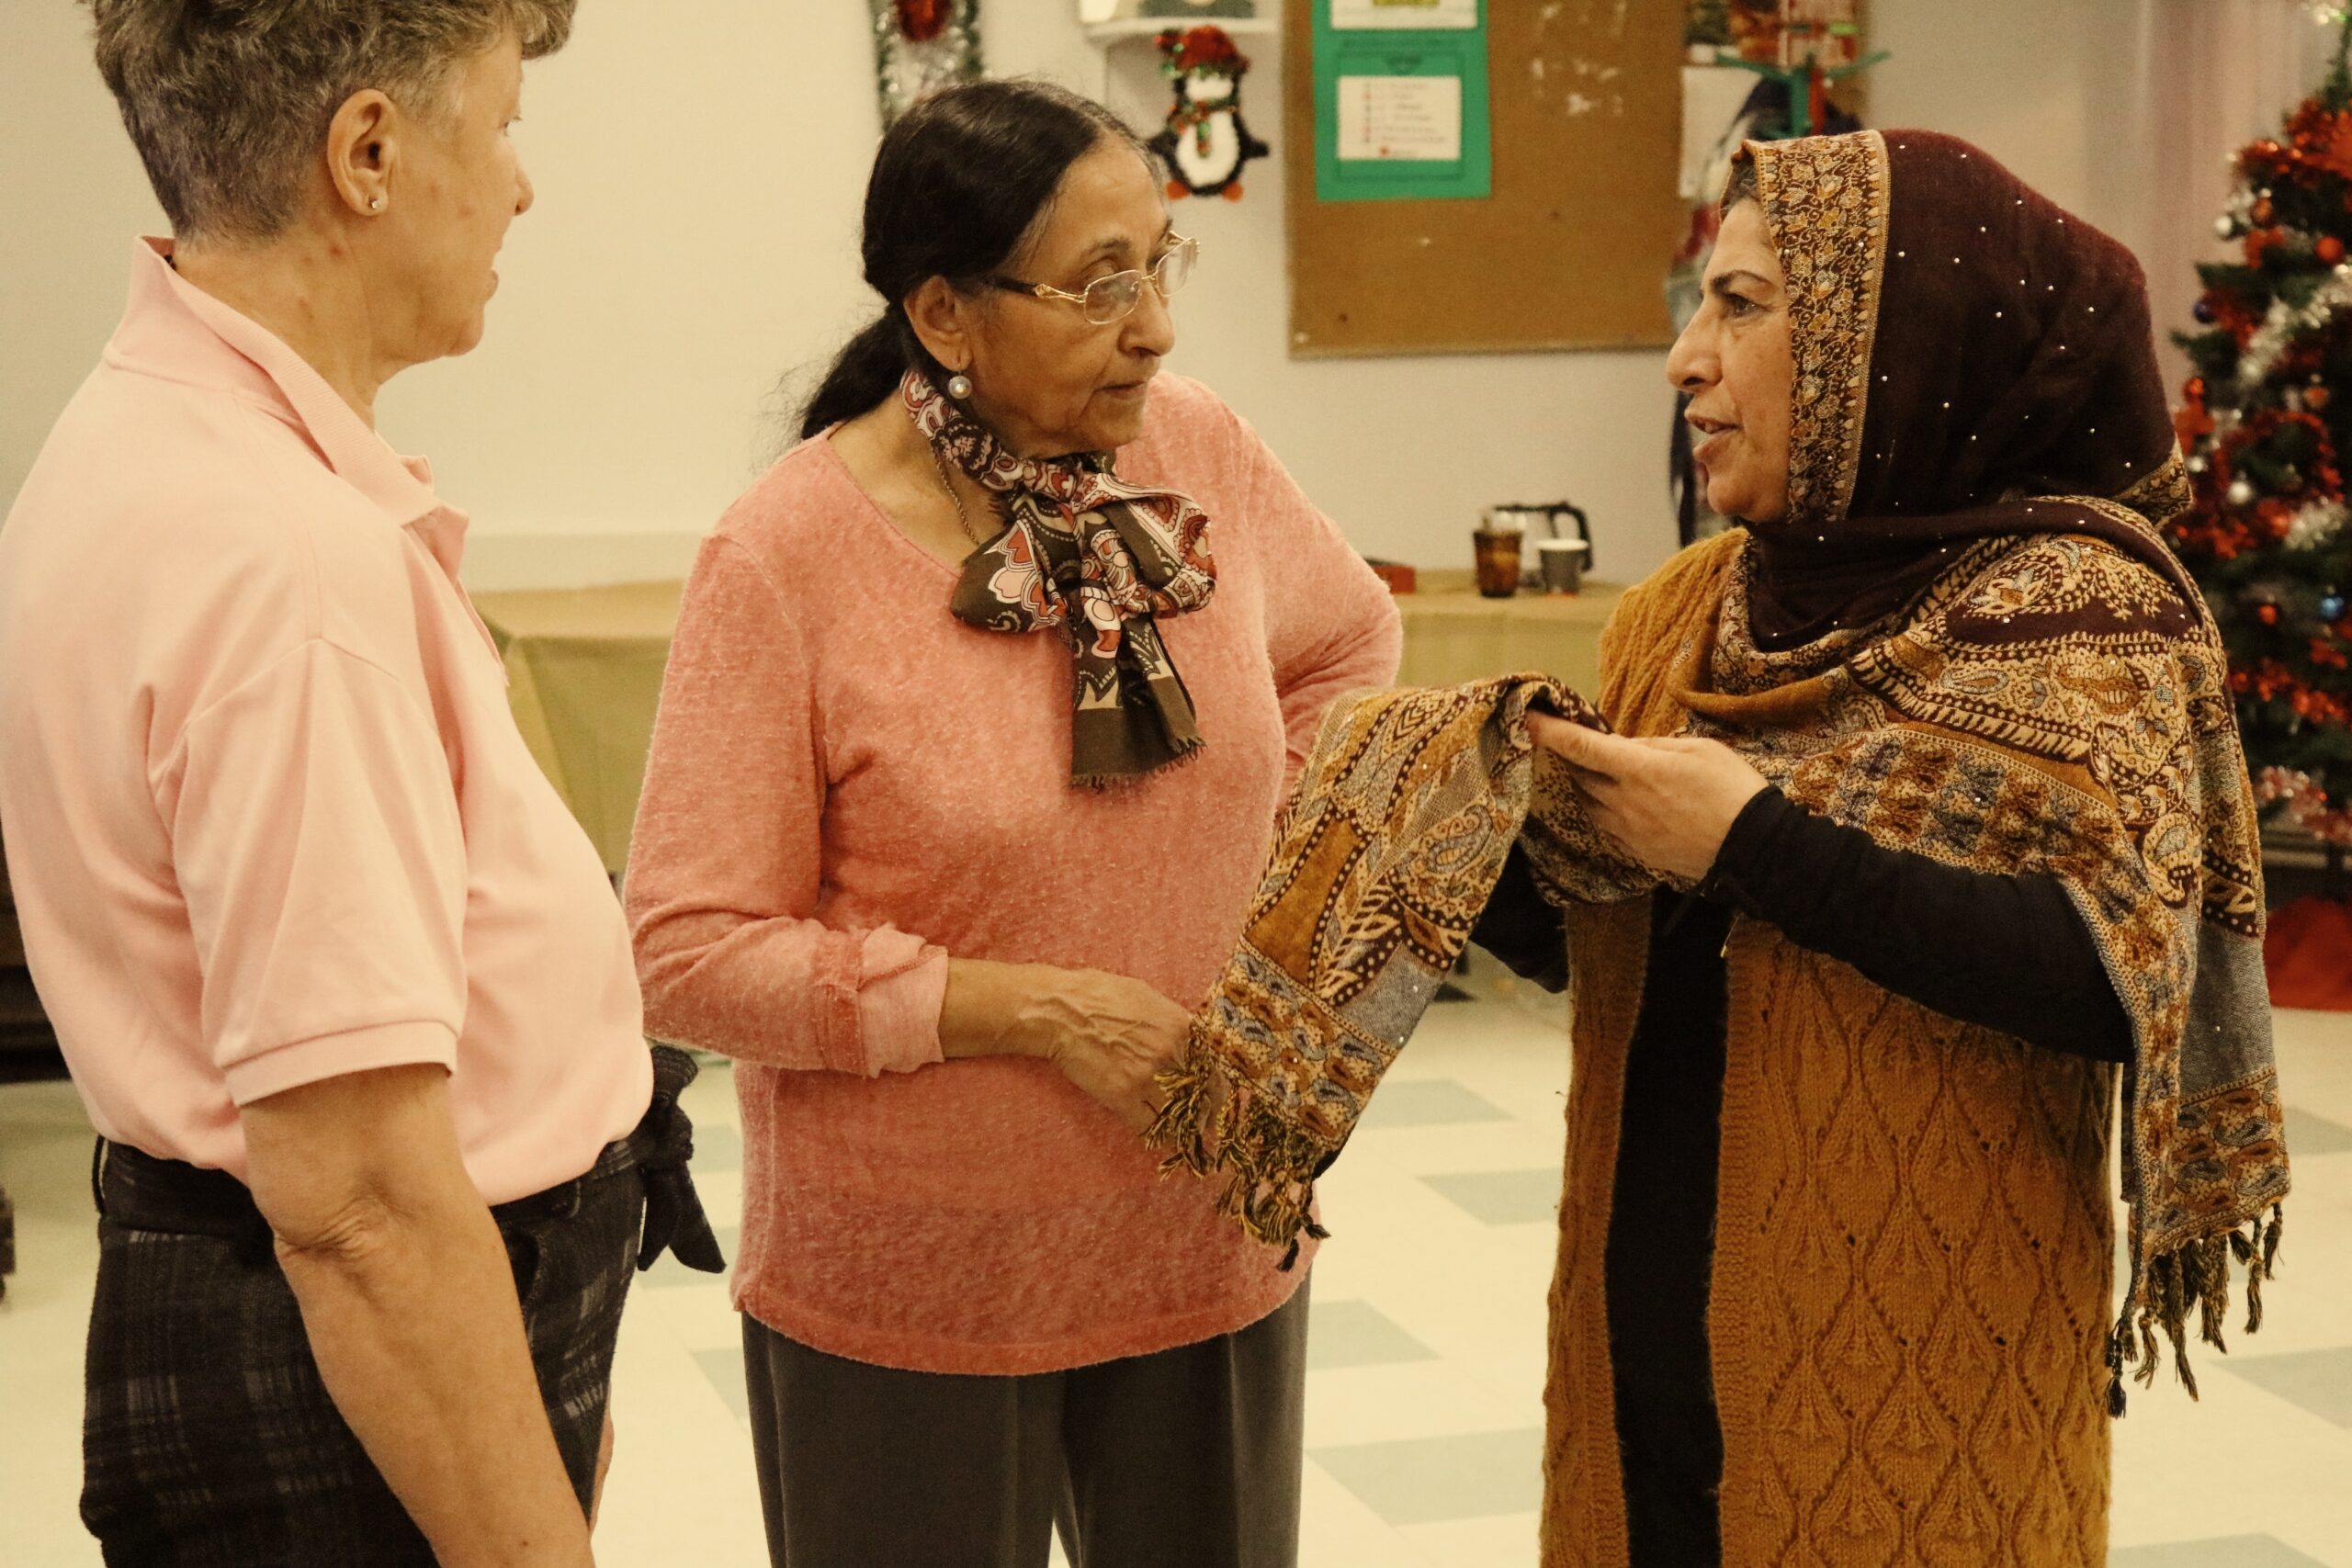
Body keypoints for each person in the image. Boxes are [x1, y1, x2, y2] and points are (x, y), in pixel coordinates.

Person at [1468, 130, 2290, 1567]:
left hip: (1916, 1354)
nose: (1684, 360)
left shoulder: (2082, 620)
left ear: (1888, 341)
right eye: (1697, 303)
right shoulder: (1683, 610)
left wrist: (1755, 843)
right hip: (1646, 1328)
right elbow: (1609, 948)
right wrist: (1463, 836)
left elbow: (2121, 987)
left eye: (1742, 304)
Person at [624, 79, 1401, 1568]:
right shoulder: (785, 556)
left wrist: (1273, 889)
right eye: (1100, 284)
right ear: (944, 313)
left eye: (1163, 265)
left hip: (1206, 1215)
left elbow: (1347, 644)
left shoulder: (1200, 453)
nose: (1156, 325)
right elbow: (685, 953)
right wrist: (1041, 1011)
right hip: (920, 1274)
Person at [0, 5, 718, 1563]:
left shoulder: (150, 433)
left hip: (350, 1320)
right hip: (336, 1371)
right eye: (507, 122)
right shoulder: (279, 557)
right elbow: (364, 1204)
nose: (521, 188)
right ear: (371, 152)